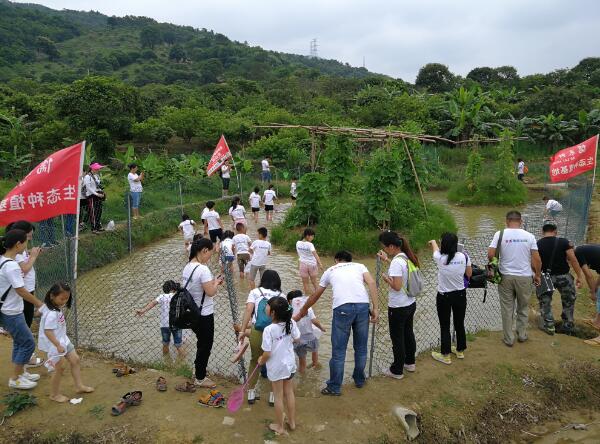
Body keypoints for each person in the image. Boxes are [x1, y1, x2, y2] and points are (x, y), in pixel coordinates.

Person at [295, 250, 378, 396]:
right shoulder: (360, 266)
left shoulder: (330, 270)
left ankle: (334, 387)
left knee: (339, 351)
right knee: (361, 347)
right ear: (350, 260)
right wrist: (375, 308)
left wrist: (304, 309)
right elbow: (371, 282)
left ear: (336, 260)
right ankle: (359, 380)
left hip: (342, 308)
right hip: (363, 306)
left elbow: (316, 294)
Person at [488, 210, 541, 347]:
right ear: (521, 221)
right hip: (525, 277)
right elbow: (537, 259)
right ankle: (522, 335)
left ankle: (508, 338)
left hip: (505, 276)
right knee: (523, 307)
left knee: (507, 308)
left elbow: (490, 253)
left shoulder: (499, 234)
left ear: (506, 221)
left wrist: (496, 263)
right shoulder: (529, 236)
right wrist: (537, 275)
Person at [0, 229, 44, 389]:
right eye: (25, 242)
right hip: (11, 312)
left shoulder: (3, 260)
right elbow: (21, 290)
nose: (27, 245)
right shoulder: (11, 266)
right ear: (18, 244)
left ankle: (22, 373)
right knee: (28, 343)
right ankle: (15, 378)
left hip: (8, 309)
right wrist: (39, 303)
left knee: (19, 342)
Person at [38, 282, 94, 402]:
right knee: (59, 368)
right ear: (52, 296)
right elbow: (47, 331)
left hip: (63, 340)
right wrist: (57, 345)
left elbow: (40, 311)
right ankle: (54, 394)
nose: (64, 301)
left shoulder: (51, 306)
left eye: (67, 298)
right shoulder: (52, 313)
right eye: (62, 298)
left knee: (75, 360)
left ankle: (79, 386)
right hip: (56, 344)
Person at [376, 232, 420, 378]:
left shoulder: (397, 262)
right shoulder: (407, 256)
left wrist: (386, 279)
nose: (384, 249)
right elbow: (402, 272)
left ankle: (397, 370)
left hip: (398, 307)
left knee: (397, 339)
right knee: (408, 334)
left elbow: (396, 286)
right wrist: (387, 260)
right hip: (410, 303)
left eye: (385, 247)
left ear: (391, 246)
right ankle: (410, 363)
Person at [183, 238, 224, 388]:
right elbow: (211, 292)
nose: (210, 257)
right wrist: (217, 283)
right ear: (204, 250)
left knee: (201, 343)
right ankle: (200, 378)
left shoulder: (188, 267)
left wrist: (212, 282)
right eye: (210, 254)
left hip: (192, 313)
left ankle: (198, 369)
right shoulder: (203, 269)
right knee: (206, 345)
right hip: (204, 314)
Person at [238, 270, 284, 403]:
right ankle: (272, 396)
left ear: (262, 279)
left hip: (257, 331)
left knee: (255, 360)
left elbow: (248, 311)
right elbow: (285, 318)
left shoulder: (255, 292)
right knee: (273, 362)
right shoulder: (282, 295)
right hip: (276, 332)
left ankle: (251, 393)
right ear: (278, 281)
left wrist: (242, 331)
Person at [258, 296, 300, 436]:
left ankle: (280, 427)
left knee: (278, 395)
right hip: (289, 364)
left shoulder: (269, 330)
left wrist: (261, 360)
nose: (265, 307)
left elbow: (267, 353)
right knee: (289, 392)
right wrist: (286, 343)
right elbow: (297, 339)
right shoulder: (291, 323)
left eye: (268, 306)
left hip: (276, 367)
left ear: (273, 313)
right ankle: (292, 423)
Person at [428, 233, 472, 365]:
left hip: (444, 296)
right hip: (460, 295)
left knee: (445, 325)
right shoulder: (464, 256)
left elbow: (435, 249)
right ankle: (460, 351)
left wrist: (433, 241)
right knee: (459, 323)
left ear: (444, 244)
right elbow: (469, 274)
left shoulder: (440, 258)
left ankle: (445, 355)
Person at [536, 221, 583, 335]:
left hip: (546, 278)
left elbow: (536, 262)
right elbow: (573, 259)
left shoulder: (537, 244)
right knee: (568, 301)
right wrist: (579, 276)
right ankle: (568, 325)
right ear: (556, 231)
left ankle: (549, 325)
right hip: (564, 277)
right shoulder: (564, 242)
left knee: (545, 301)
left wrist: (536, 275)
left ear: (542, 231)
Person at [135, 280, 185, 360]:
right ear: (173, 288)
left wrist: (143, 310)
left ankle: (166, 361)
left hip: (165, 325)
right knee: (178, 345)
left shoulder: (161, 296)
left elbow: (152, 303)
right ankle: (182, 362)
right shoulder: (178, 296)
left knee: (165, 344)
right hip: (176, 324)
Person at [6, 221, 40, 329]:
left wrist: (31, 253)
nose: (30, 237)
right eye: (29, 235)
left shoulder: (19, 250)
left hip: (26, 287)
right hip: (24, 289)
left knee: (27, 317)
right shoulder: (16, 254)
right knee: (26, 322)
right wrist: (33, 256)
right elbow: (24, 269)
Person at [288, 290, 325, 373]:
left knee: (302, 361)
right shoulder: (308, 308)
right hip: (310, 337)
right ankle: (315, 365)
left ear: (290, 301)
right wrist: (321, 327)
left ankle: (302, 377)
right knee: (315, 351)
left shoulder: (289, 311)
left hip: (298, 339)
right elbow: (314, 321)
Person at [574, 244, 600, 346]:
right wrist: (596, 287)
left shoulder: (578, 253)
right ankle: (597, 322)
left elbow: (588, 276)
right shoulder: (584, 250)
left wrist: (592, 292)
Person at [296, 228, 323, 295]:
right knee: (314, 282)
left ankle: (308, 299)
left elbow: (299, 254)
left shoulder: (298, 243)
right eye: (312, 236)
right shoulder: (310, 244)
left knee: (305, 284)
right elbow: (315, 255)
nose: (313, 238)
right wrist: (320, 264)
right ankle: (317, 297)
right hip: (312, 265)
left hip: (303, 265)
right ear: (307, 236)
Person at [84, 163, 106, 233]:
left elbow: (97, 186)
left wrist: (101, 192)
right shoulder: (87, 177)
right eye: (97, 169)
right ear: (93, 169)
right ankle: (94, 228)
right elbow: (88, 188)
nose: (98, 170)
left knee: (99, 211)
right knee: (93, 212)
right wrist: (96, 194)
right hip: (91, 196)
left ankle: (98, 226)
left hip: (97, 195)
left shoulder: (96, 176)